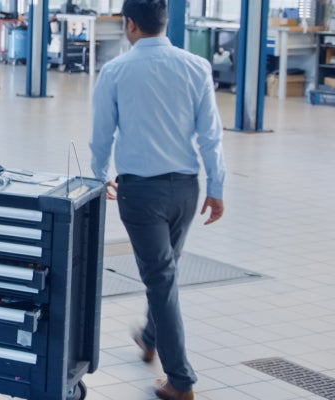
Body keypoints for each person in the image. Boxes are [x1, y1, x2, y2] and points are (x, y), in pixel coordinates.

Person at [89, 0, 226, 399]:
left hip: (142, 193)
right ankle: (150, 336)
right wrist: (217, 187)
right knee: (164, 272)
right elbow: (210, 135)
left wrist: (98, 180)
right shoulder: (196, 66)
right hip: (186, 189)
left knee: (161, 278)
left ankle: (180, 381)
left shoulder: (115, 71)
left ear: (130, 24)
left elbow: (102, 136)